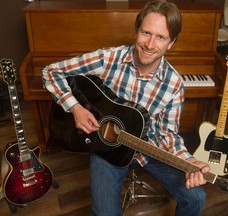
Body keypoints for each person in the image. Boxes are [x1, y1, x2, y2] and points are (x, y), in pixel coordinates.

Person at [42, 0, 210, 215]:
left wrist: (189, 162)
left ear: (171, 43)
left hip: (147, 150)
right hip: (106, 146)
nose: (150, 44)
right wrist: (76, 108)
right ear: (136, 30)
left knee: (197, 197)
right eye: (146, 32)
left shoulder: (174, 85)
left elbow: (167, 134)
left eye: (161, 37)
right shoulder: (108, 58)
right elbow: (51, 72)